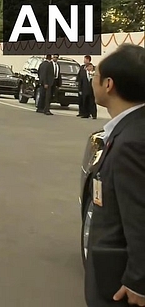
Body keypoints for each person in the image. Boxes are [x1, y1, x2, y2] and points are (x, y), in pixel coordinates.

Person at [84, 43, 145, 307]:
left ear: (109, 84)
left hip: (120, 284)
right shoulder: (128, 129)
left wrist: (138, 281)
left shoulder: (132, 142)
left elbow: (140, 216)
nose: (92, 81)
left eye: (95, 76)